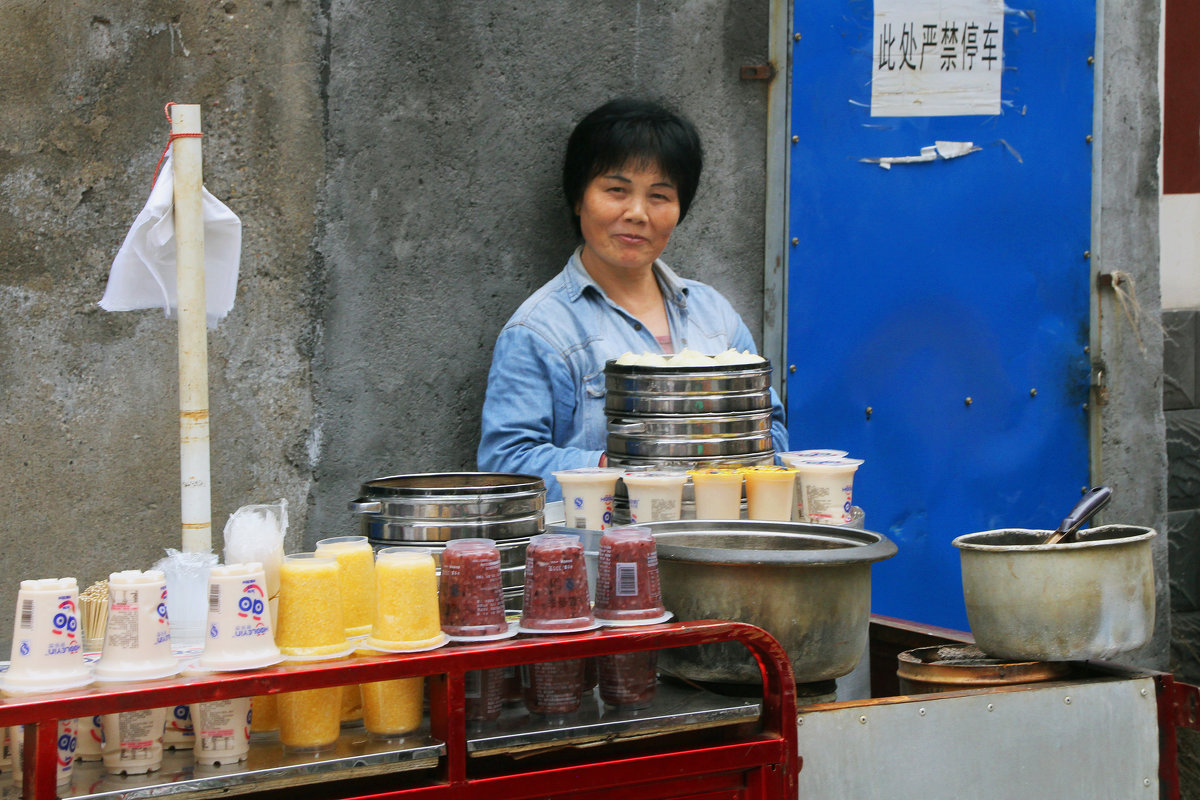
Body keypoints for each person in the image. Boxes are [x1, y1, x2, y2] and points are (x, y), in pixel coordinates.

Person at [477, 97, 788, 501]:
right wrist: (625, 468)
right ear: (578, 198)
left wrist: (729, 458)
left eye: (659, 196)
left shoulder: (714, 315)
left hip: (719, 542)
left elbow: (773, 428)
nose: (638, 213)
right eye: (616, 190)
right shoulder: (541, 329)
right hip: (608, 550)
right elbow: (506, 462)